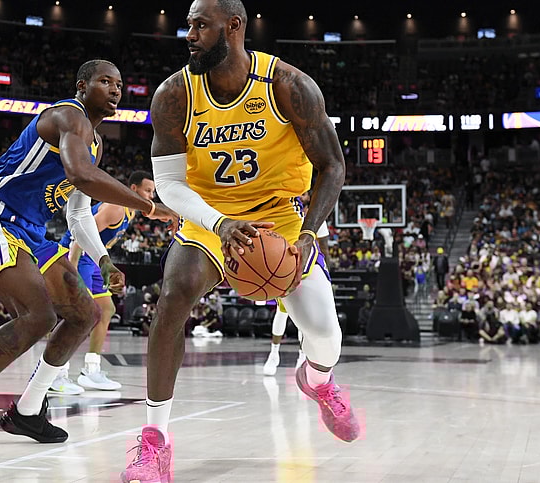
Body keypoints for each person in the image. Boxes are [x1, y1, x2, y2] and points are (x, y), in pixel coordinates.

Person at [0, 59, 175, 480]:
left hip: (30, 231)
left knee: (86, 313)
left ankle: (26, 410)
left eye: (120, 84)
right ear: (82, 86)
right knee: (38, 316)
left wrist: (103, 260)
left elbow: (79, 214)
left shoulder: (95, 142)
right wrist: (150, 206)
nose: (116, 90)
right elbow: (82, 174)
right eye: (105, 81)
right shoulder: (67, 116)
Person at [120, 2, 359, 481]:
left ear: (234, 27)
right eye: (188, 25)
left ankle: (319, 381)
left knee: (326, 335)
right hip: (210, 217)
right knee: (174, 293)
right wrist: (220, 224)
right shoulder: (173, 94)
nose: (188, 34)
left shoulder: (289, 86)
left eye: (200, 25)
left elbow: (332, 165)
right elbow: (167, 183)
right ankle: (155, 443)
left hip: (281, 218)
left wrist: (310, 233)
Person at [56, 170, 160, 393]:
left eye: (153, 191)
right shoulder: (115, 208)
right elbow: (80, 231)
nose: (151, 196)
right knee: (79, 315)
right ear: (133, 189)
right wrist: (72, 265)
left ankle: (91, 371)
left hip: (92, 260)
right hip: (77, 253)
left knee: (106, 309)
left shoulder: (132, 212)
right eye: (148, 191)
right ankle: (57, 373)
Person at [263, 222, 329, 376]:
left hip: (309, 266)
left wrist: (326, 278)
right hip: (283, 264)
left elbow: (324, 249)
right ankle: (274, 353)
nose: (304, 196)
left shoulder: (318, 217)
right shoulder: (286, 207)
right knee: (282, 311)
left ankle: (302, 356)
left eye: (306, 195)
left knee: (304, 317)